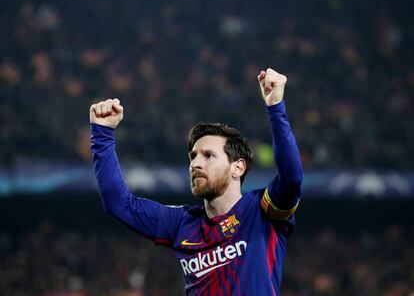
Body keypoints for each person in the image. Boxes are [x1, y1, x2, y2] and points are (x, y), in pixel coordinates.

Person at [90, 68, 303, 295]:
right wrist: (102, 134)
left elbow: (291, 179)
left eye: (208, 156)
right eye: (193, 156)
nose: (195, 164)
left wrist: (275, 106)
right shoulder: (182, 223)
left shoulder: (262, 211)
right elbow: (119, 205)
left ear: (238, 167)